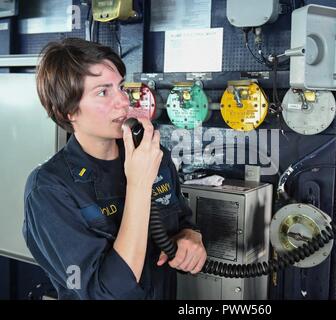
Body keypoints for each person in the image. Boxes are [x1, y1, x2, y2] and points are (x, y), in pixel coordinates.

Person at [23, 38, 207, 300]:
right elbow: (106, 293)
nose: (123, 101)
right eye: (103, 92)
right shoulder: (49, 191)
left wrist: (191, 237)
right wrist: (138, 185)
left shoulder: (153, 156)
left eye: (120, 87)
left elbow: (183, 223)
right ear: (68, 111)